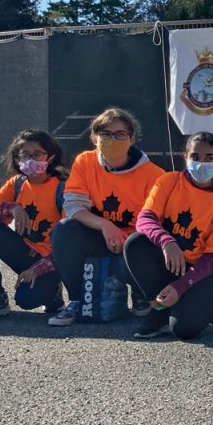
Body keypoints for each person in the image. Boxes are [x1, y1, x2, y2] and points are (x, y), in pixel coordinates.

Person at [49, 107, 165, 327]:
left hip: (133, 246)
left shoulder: (155, 174)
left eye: (121, 134)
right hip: (98, 236)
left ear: (132, 139)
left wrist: (125, 239)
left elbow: (155, 222)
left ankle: (141, 293)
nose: (113, 139)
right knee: (64, 230)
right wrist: (105, 225)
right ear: (94, 138)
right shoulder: (84, 161)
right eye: (106, 133)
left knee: (141, 247)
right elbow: (74, 206)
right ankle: (76, 300)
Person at [125, 132, 213, 340]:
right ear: (185, 157)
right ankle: (159, 309)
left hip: (210, 269)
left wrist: (180, 287)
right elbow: (145, 219)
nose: (201, 163)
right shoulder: (168, 181)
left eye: (209, 158)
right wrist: (166, 241)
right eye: (195, 157)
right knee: (136, 243)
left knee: (184, 330)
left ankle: (211, 300)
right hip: (173, 261)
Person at [0, 130, 70, 320]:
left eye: (37, 154)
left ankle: (53, 293)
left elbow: (68, 241)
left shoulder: (63, 187)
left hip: (54, 261)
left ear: (50, 157)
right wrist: (12, 207)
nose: (31, 159)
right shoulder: (16, 184)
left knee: (26, 300)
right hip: (25, 253)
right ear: (16, 159)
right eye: (24, 155)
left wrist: (36, 270)